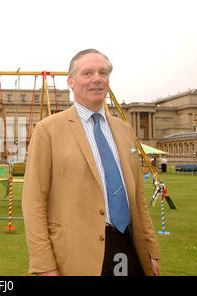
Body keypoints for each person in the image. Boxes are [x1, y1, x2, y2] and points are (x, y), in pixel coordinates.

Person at [22, 49, 160, 276]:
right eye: (87, 73)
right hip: (77, 253)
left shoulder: (125, 130)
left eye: (103, 73)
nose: (97, 78)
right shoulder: (48, 130)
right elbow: (33, 201)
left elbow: (137, 199)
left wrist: (151, 250)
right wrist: (44, 265)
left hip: (128, 246)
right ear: (71, 82)